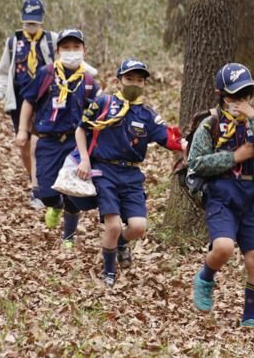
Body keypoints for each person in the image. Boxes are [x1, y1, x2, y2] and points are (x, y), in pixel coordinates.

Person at [186, 63, 254, 330]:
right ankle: (205, 279)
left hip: (253, 197)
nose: (240, 102)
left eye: (246, 96)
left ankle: (249, 317)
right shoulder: (211, 123)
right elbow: (196, 162)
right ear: (220, 94)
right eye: (234, 97)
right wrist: (233, 157)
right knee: (224, 247)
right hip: (221, 195)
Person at [74, 59, 183, 288]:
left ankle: (122, 243)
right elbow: (81, 129)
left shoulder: (146, 114)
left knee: (138, 227)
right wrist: (84, 158)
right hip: (105, 171)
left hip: (132, 176)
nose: (134, 83)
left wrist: (191, 144)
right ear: (117, 81)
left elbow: (168, 137)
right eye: (129, 79)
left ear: (144, 84)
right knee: (112, 226)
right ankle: (108, 271)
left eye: (139, 80)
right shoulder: (103, 103)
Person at [0, 0, 97, 209]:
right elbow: (4, 73)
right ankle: (35, 183)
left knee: (41, 141)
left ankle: (45, 187)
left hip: (51, 96)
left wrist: (90, 75)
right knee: (25, 144)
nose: (31, 26)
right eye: (28, 21)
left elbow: (77, 57)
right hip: (22, 98)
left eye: (35, 21)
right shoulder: (13, 43)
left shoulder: (51, 39)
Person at [16, 28, 100, 249]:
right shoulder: (47, 74)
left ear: (84, 50)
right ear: (57, 51)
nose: (71, 51)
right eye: (66, 47)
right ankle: (55, 205)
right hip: (48, 141)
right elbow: (28, 101)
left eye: (76, 47)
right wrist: (22, 130)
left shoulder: (89, 81)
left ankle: (68, 236)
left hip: (75, 141)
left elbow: (98, 112)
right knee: (46, 192)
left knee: (73, 190)